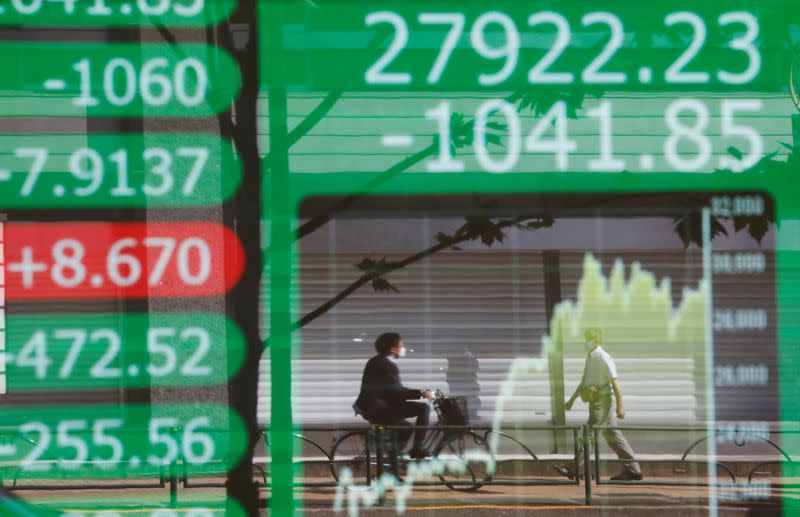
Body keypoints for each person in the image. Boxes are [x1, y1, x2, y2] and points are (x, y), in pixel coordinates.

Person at [554, 328, 643, 481]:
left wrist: (621, 406)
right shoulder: (591, 357)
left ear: (595, 341)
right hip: (596, 403)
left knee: (588, 435)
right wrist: (572, 400)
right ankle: (634, 470)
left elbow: (615, 384)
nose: (585, 343)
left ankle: (572, 469)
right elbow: (583, 382)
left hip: (602, 404)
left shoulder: (603, 357)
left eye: (587, 339)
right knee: (615, 437)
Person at [354, 332, 436, 459]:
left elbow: (394, 388)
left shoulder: (378, 361)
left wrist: (420, 393)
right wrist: (421, 393)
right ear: (392, 349)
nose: (403, 349)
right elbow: (395, 392)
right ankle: (417, 448)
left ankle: (393, 462)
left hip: (373, 406)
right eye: (401, 346)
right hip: (378, 408)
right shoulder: (385, 364)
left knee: (407, 428)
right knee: (423, 408)